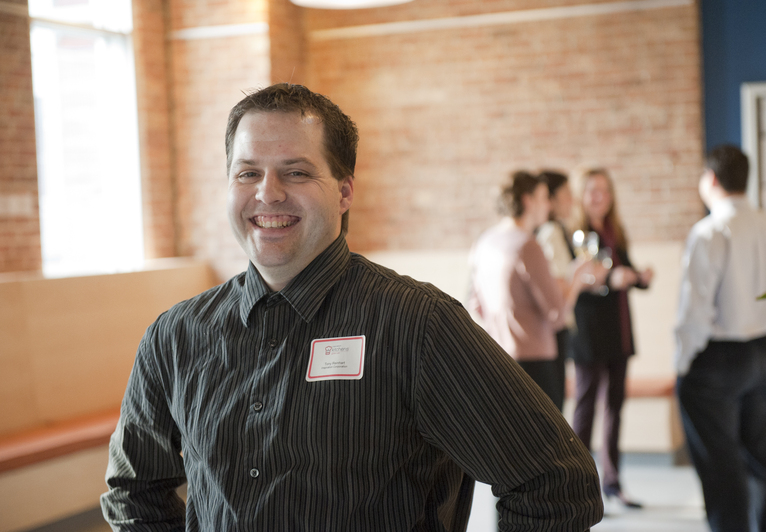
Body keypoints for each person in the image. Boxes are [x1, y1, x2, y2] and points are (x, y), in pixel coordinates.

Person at [100, 83, 603, 531]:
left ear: (344, 192)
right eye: (247, 172)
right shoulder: (175, 336)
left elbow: (556, 484)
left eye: (296, 172)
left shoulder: (417, 325)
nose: (267, 193)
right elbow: (133, 493)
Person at [675, 145, 766, 532]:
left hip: (718, 357)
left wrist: (683, 363)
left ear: (711, 178)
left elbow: (694, 309)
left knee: (721, 464)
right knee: (762, 454)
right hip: (765, 351)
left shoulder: (710, 230)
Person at [468, 171, 597, 411]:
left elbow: (475, 305)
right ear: (528, 201)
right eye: (544, 198)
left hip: (498, 357)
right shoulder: (527, 245)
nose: (548, 205)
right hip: (535, 363)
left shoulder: (484, 242)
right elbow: (557, 315)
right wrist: (578, 279)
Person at [569, 166, 653, 509]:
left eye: (604, 190)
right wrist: (608, 281)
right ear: (581, 195)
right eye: (592, 190)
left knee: (615, 408)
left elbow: (624, 271)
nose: (599, 197)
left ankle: (613, 484)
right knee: (586, 407)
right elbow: (575, 283)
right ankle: (575, 485)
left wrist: (641, 277)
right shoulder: (574, 234)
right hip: (589, 333)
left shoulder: (614, 230)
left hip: (618, 332)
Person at [535, 170, 597, 410]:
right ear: (551, 200)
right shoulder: (551, 232)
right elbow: (560, 292)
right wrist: (581, 275)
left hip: (552, 328)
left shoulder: (557, 229)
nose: (572, 200)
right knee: (554, 402)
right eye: (567, 194)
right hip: (554, 327)